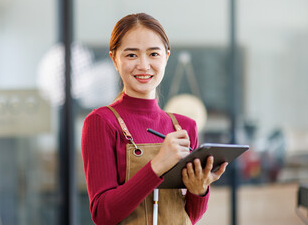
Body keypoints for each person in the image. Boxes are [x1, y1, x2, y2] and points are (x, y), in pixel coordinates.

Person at [81, 13, 227, 225]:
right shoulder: (101, 122)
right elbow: (103, 215)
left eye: (153, 54)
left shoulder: (186, 126)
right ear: (114, 59)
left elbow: (189, 217)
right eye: (131, 55)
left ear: (166, 56)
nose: (143, 65)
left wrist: (200, 190)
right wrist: (157, 165)